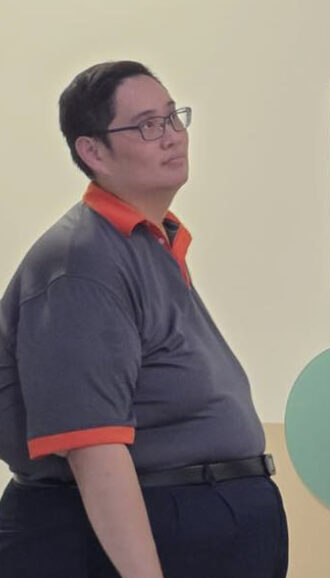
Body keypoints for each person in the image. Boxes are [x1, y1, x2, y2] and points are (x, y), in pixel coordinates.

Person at [0, 61, 288, 578]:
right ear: (93, 151)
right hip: (133, 530)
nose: (172, 136)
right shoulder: (81, 261)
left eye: (173, 117)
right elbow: (92, 445)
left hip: (198, 523)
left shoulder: (149, 241)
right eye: (147, 125)